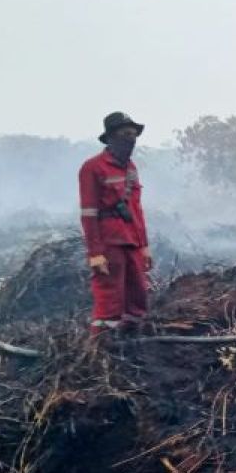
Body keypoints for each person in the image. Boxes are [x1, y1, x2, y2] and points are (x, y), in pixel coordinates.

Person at [78, 112, 152, 337]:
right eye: (124, 134)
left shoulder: (131, 168)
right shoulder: (92, 168)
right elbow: (89, 214)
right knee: (110, 298)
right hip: (109, 242)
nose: (130, 139)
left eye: (133, 134)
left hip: (132, 240)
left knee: (137, 295)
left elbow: (136, 209)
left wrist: (144, 245)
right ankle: (102, 348)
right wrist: (95, 253)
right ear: (110, 138)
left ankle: (132, 340)